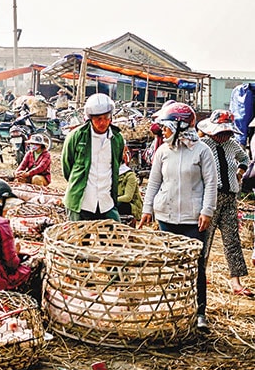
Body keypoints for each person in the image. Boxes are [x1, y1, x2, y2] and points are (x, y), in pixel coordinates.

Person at [138, 102, 217, 330]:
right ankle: (171, 310)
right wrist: (147, 209)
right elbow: (154, 183)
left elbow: (211, 184)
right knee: (168, 265)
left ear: (180, 126)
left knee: (196, 265)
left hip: (194, 219)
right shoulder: (163, 151)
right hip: (166, 216)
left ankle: (199, 311)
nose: (163, 130)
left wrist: (207, 211)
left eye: (166, 126)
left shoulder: (202, 151)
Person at [197, 110, 253, 297]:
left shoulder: (232, 146)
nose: (224, 136)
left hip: (230, 198)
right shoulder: (203, 145)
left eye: (227, 132)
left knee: (232, 239)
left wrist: (240, 172)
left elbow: (245, 158)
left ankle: (236, 282)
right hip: (210, 197)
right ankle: (199, 275)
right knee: (205, 239)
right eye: (221, 132)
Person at [62, 93, 125, 222]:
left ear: (111, 118)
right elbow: (67, 167)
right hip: (81, 201)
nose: (102, 122)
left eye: (106, 118)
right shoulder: (76, 136)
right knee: (78, 240)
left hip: (106, 202)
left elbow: (116, 163)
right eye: (98, 119)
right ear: (90, 119)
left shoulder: (117, 139)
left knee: (113, 238)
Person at [116, 146, 143, 223]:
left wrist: (111, 200)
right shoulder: (110, 174)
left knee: (119, 205)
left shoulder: (129, 175)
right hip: (117, 202)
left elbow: (128, 197)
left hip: (131, 206)